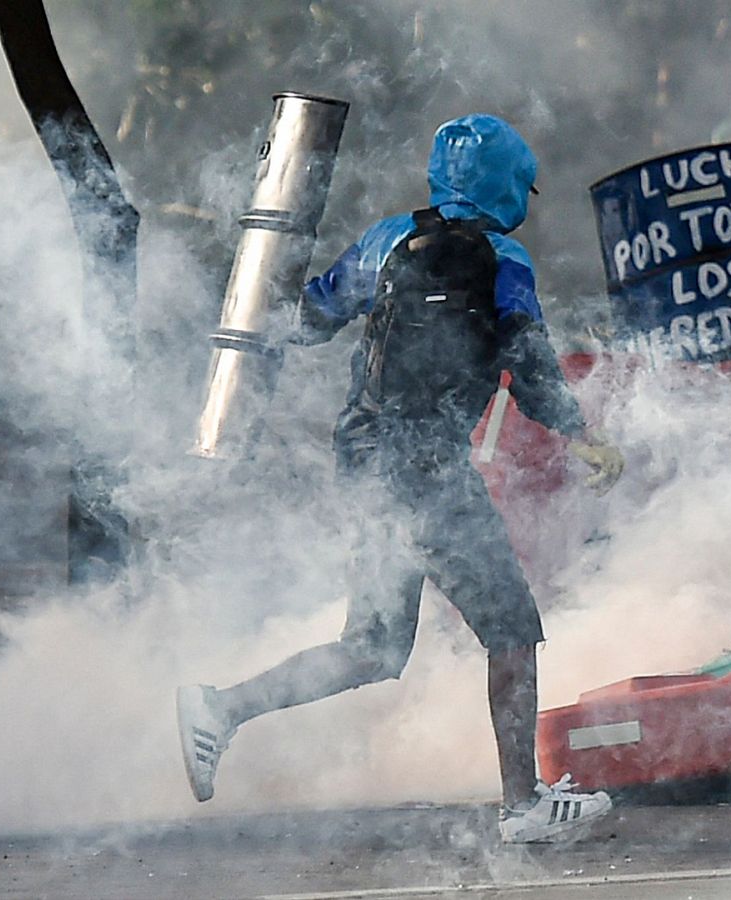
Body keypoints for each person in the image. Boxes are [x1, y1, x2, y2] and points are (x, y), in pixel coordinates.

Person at [176, 113, 625, 844]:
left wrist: (251, 296)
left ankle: (219, 709)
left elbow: (313, 315)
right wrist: (581, 433)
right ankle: (523, 807)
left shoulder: (386, 238)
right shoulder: (504, 258)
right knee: (510, 626)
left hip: (362, 460)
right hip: (426, 469)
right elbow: (529, 355)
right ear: (506, 184)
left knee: (374, 647)